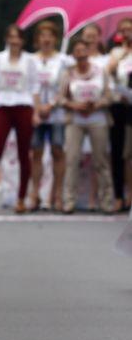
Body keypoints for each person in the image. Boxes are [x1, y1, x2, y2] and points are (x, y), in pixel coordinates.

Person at [0, 25, 39, 214]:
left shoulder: (29, 61)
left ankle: (21, 198)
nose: (14, 41)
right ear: (6, 39)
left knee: (23, 154)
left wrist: (35, 112)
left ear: (22, 41)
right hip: (3, 106)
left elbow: (34, 87)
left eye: (17, 37)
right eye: (11, 37)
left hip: (23, 105)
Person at [60, 38, 114, 214]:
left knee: (101, 161)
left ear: (88, 53)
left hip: (97, 118)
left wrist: (96, 104)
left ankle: (107, 201)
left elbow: (108, 96)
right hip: (75, 120)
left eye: (84, 51)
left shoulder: (100, 72)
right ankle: (68, 200)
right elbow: (60, 98)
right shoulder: (67, 74)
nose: (81, 54)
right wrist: (74, 105)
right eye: (77, 51)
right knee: (72, 160)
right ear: (73, 55)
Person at [29, 20, 70, 211]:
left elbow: (64, 86)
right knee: (36, 152)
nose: (46, 39)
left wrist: (51, 105)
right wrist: (38, 109)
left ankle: (57, 195)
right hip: (37, 112)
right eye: (42, 35)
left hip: (56, 112)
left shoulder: (63, 60)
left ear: (55, 39)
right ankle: (35, 194)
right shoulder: (31, 60)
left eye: (50, 36)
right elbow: (30, 85)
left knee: (57, 151)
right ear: (38, 39)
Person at [107, 18, 132, 212]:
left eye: (129, 29)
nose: (126, 33)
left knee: (130, 152)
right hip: (119, 104)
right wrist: (123, 53)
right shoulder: (115, 52)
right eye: (122, 30)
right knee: (117, 152)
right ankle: (118, 195)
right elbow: (110, 72)